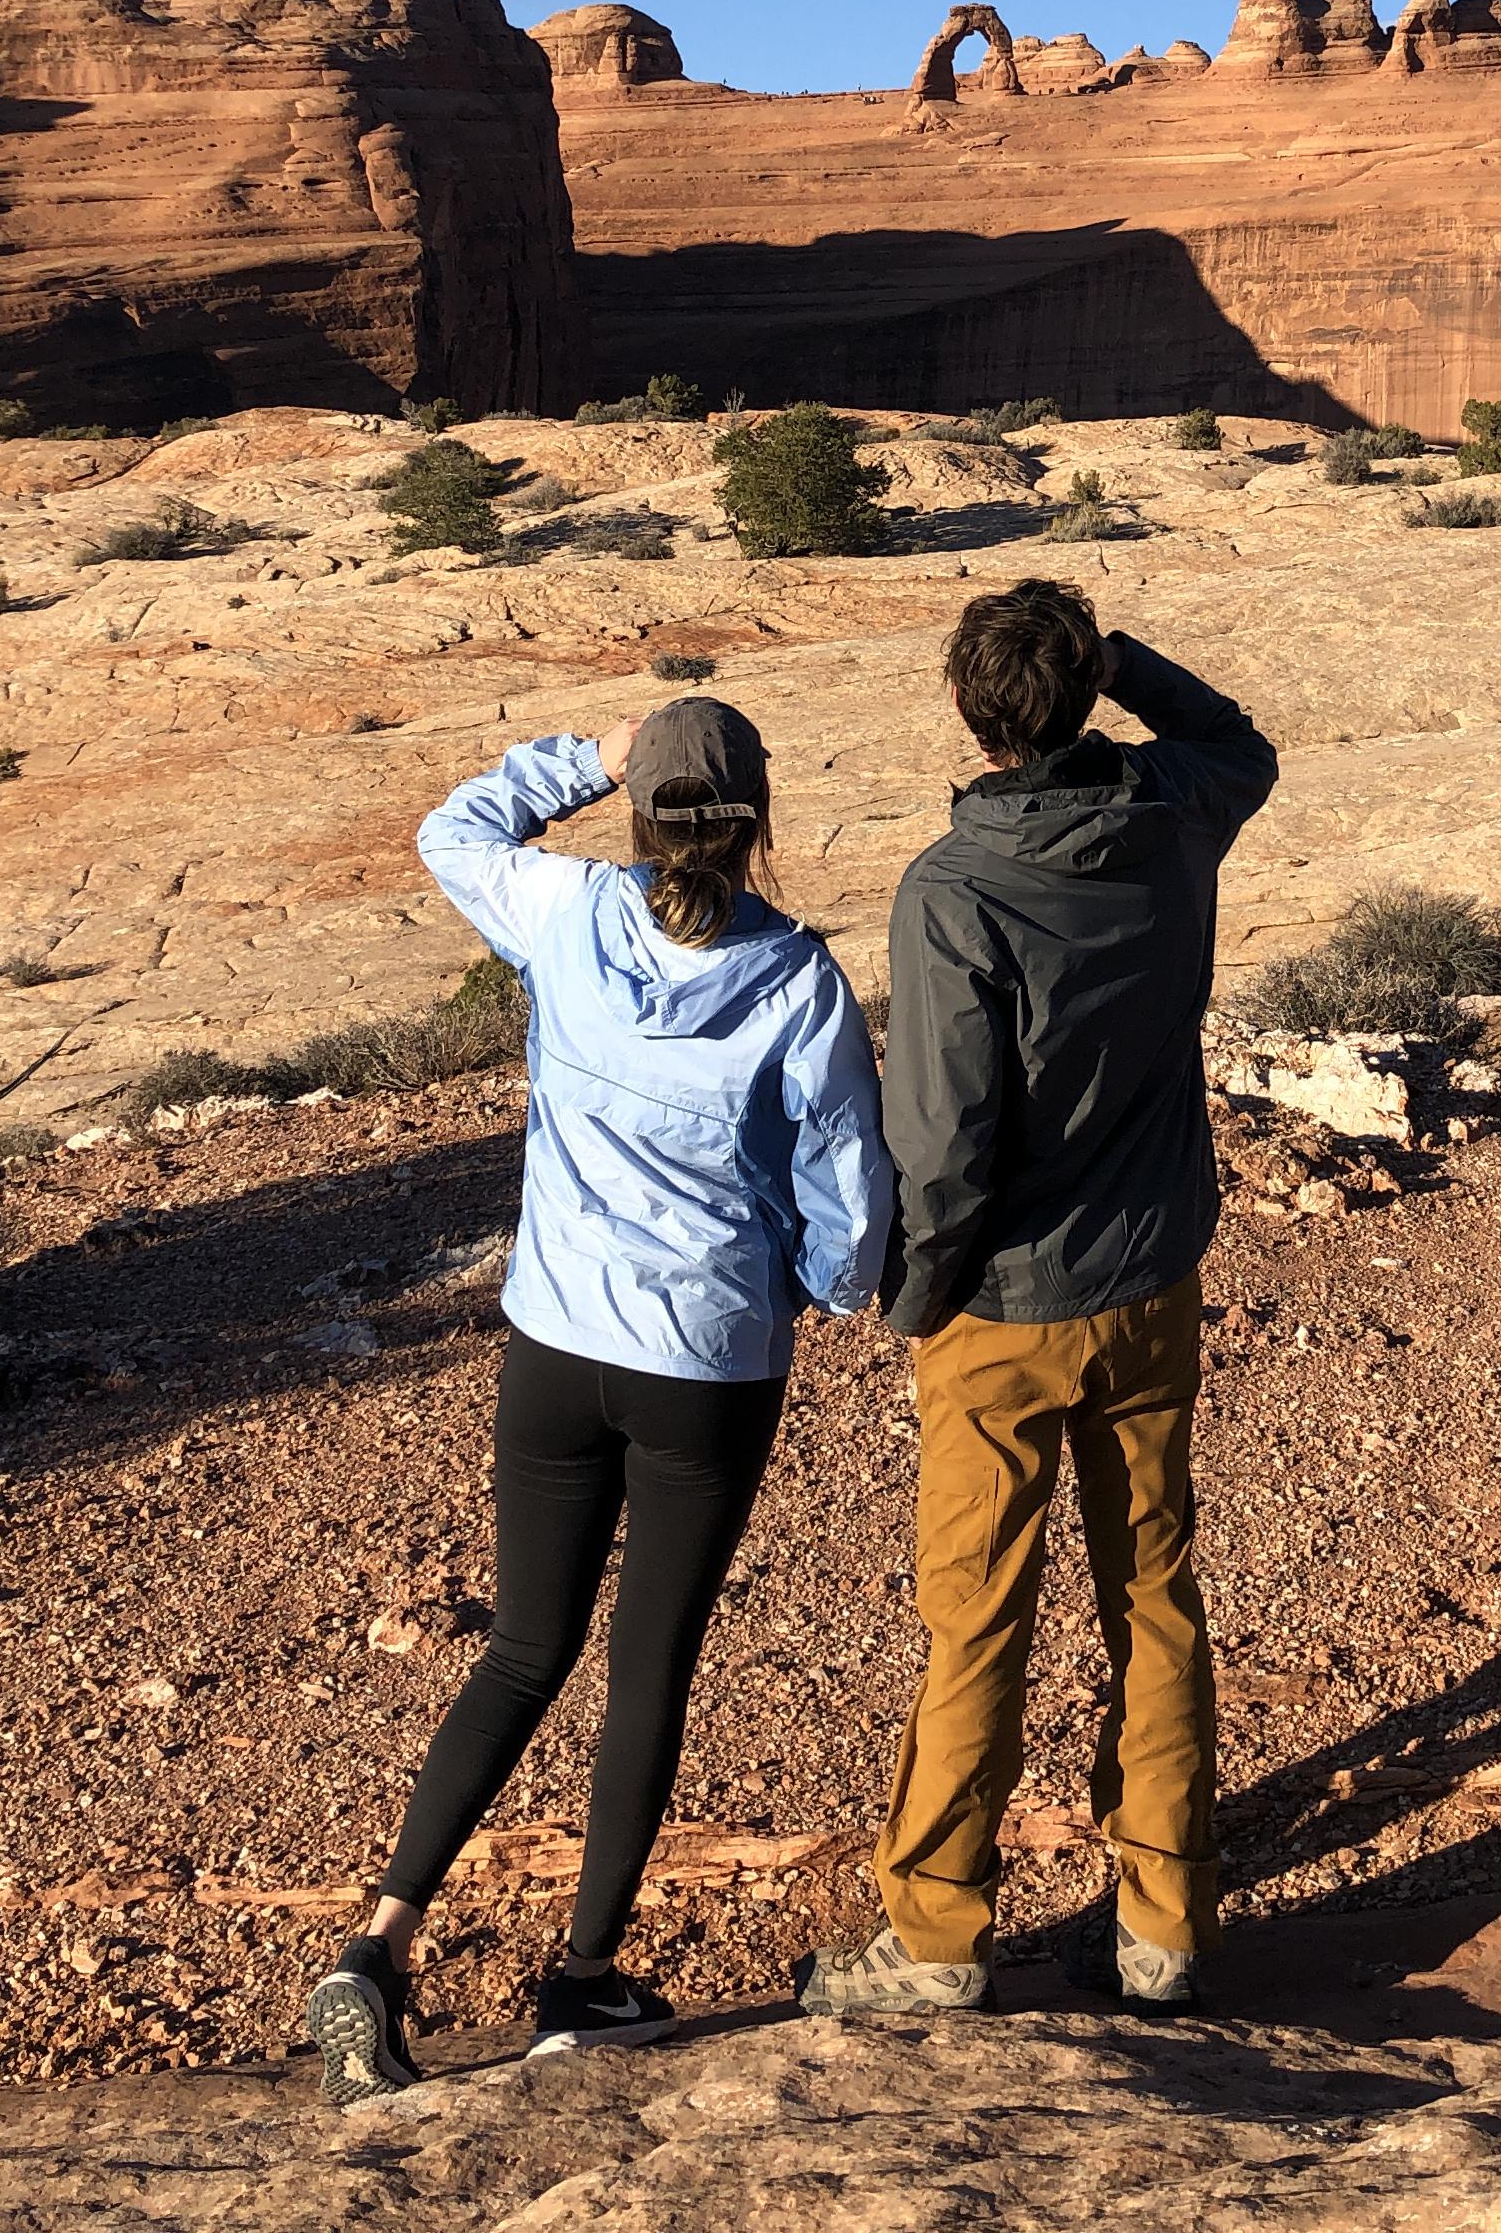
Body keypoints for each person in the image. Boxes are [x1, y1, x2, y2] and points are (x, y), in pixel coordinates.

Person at [306, 699, 892, 2106]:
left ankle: (379, 1948)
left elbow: (452, 831)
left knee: (521, 1647)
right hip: (708, 1362)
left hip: (554, 1343)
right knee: (649, 1664)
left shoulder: (569, 914)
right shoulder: (798, 984)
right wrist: (807, 1283)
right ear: (757, 822)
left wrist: (587, 754)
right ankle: (582, 1981)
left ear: (643, 816)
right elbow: (850, 1209)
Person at [797, 578, 1277, 2018]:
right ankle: (1166, 1925)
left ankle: (939, 1935)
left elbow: (941, 1143)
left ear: (967, 709)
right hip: (1148, 1277)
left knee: (978, 1613)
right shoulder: (1175, 811)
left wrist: (913, 1297)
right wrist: (1120, 660)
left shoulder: (955, 889)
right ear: (1082, 692)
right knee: (1157, 1600)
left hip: (1001, 1308)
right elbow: (1243, 742)